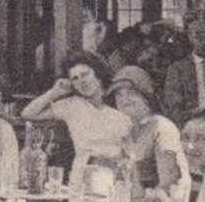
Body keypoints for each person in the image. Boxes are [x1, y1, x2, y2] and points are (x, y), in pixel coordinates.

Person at [107, 65, 192, 202]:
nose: (123, 99)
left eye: (131, 92)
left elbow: (171, 185)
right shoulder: (129, 131)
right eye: (118, 94)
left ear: (146, 95)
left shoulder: (162, 128)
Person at [20, 51, 131, 185]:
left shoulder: (119, 102)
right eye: (75, 78)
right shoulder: (72, 105)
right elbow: (28, 113)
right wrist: (54, 92)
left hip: (116, 181)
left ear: (97, 73)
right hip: (83, 180)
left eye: (85, 74)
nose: (82, 81)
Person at [162, 16, 205, 122]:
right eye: (198, 37)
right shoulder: (177, 68)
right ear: (190, 38)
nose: (204, 42)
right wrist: (193, 114)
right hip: (191, 120)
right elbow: (173, 106)